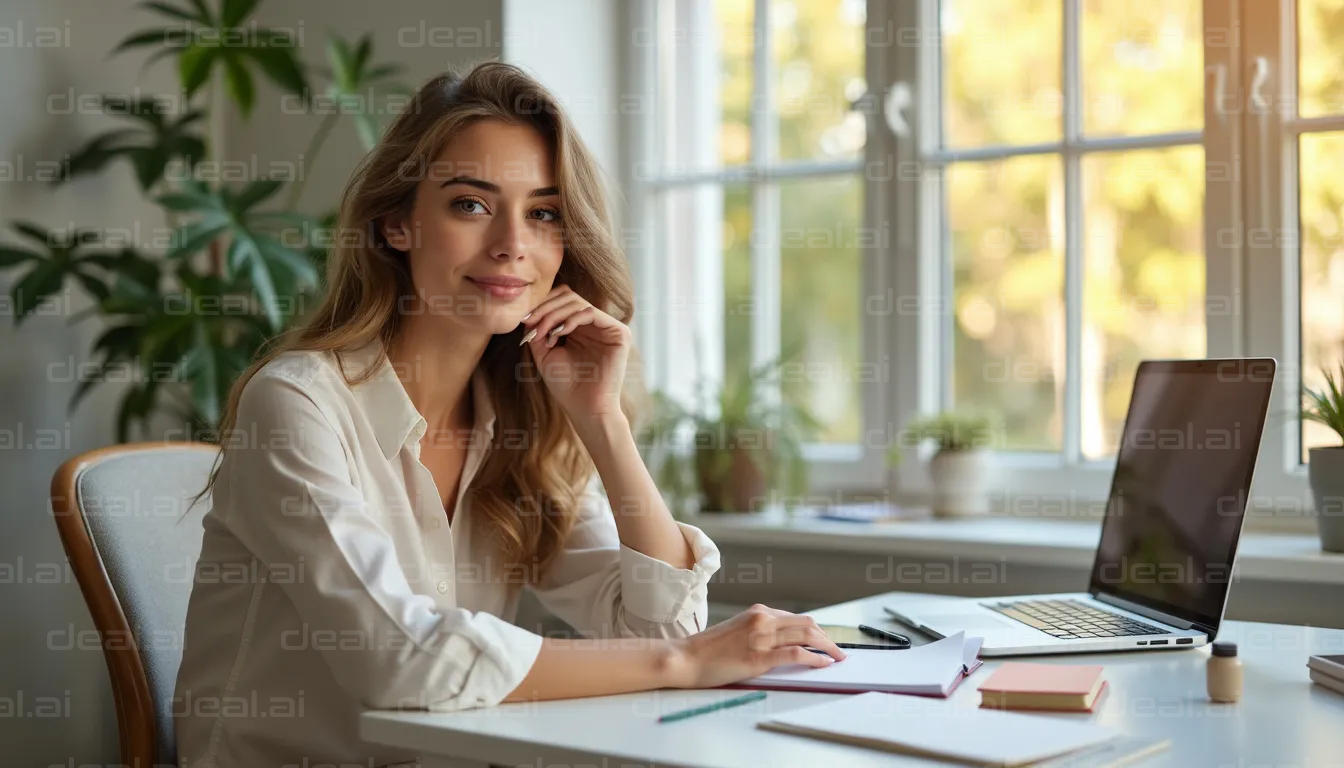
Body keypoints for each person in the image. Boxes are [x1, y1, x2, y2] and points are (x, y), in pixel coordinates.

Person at [172, 61, 845, 768]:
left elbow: (657, 618)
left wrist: (602, 422)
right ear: (396, 224)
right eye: (470, 204)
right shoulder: (296, 404)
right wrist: (681, 662)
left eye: (544, 213)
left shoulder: (521, 420)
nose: (512, 245)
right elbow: (400, 660)